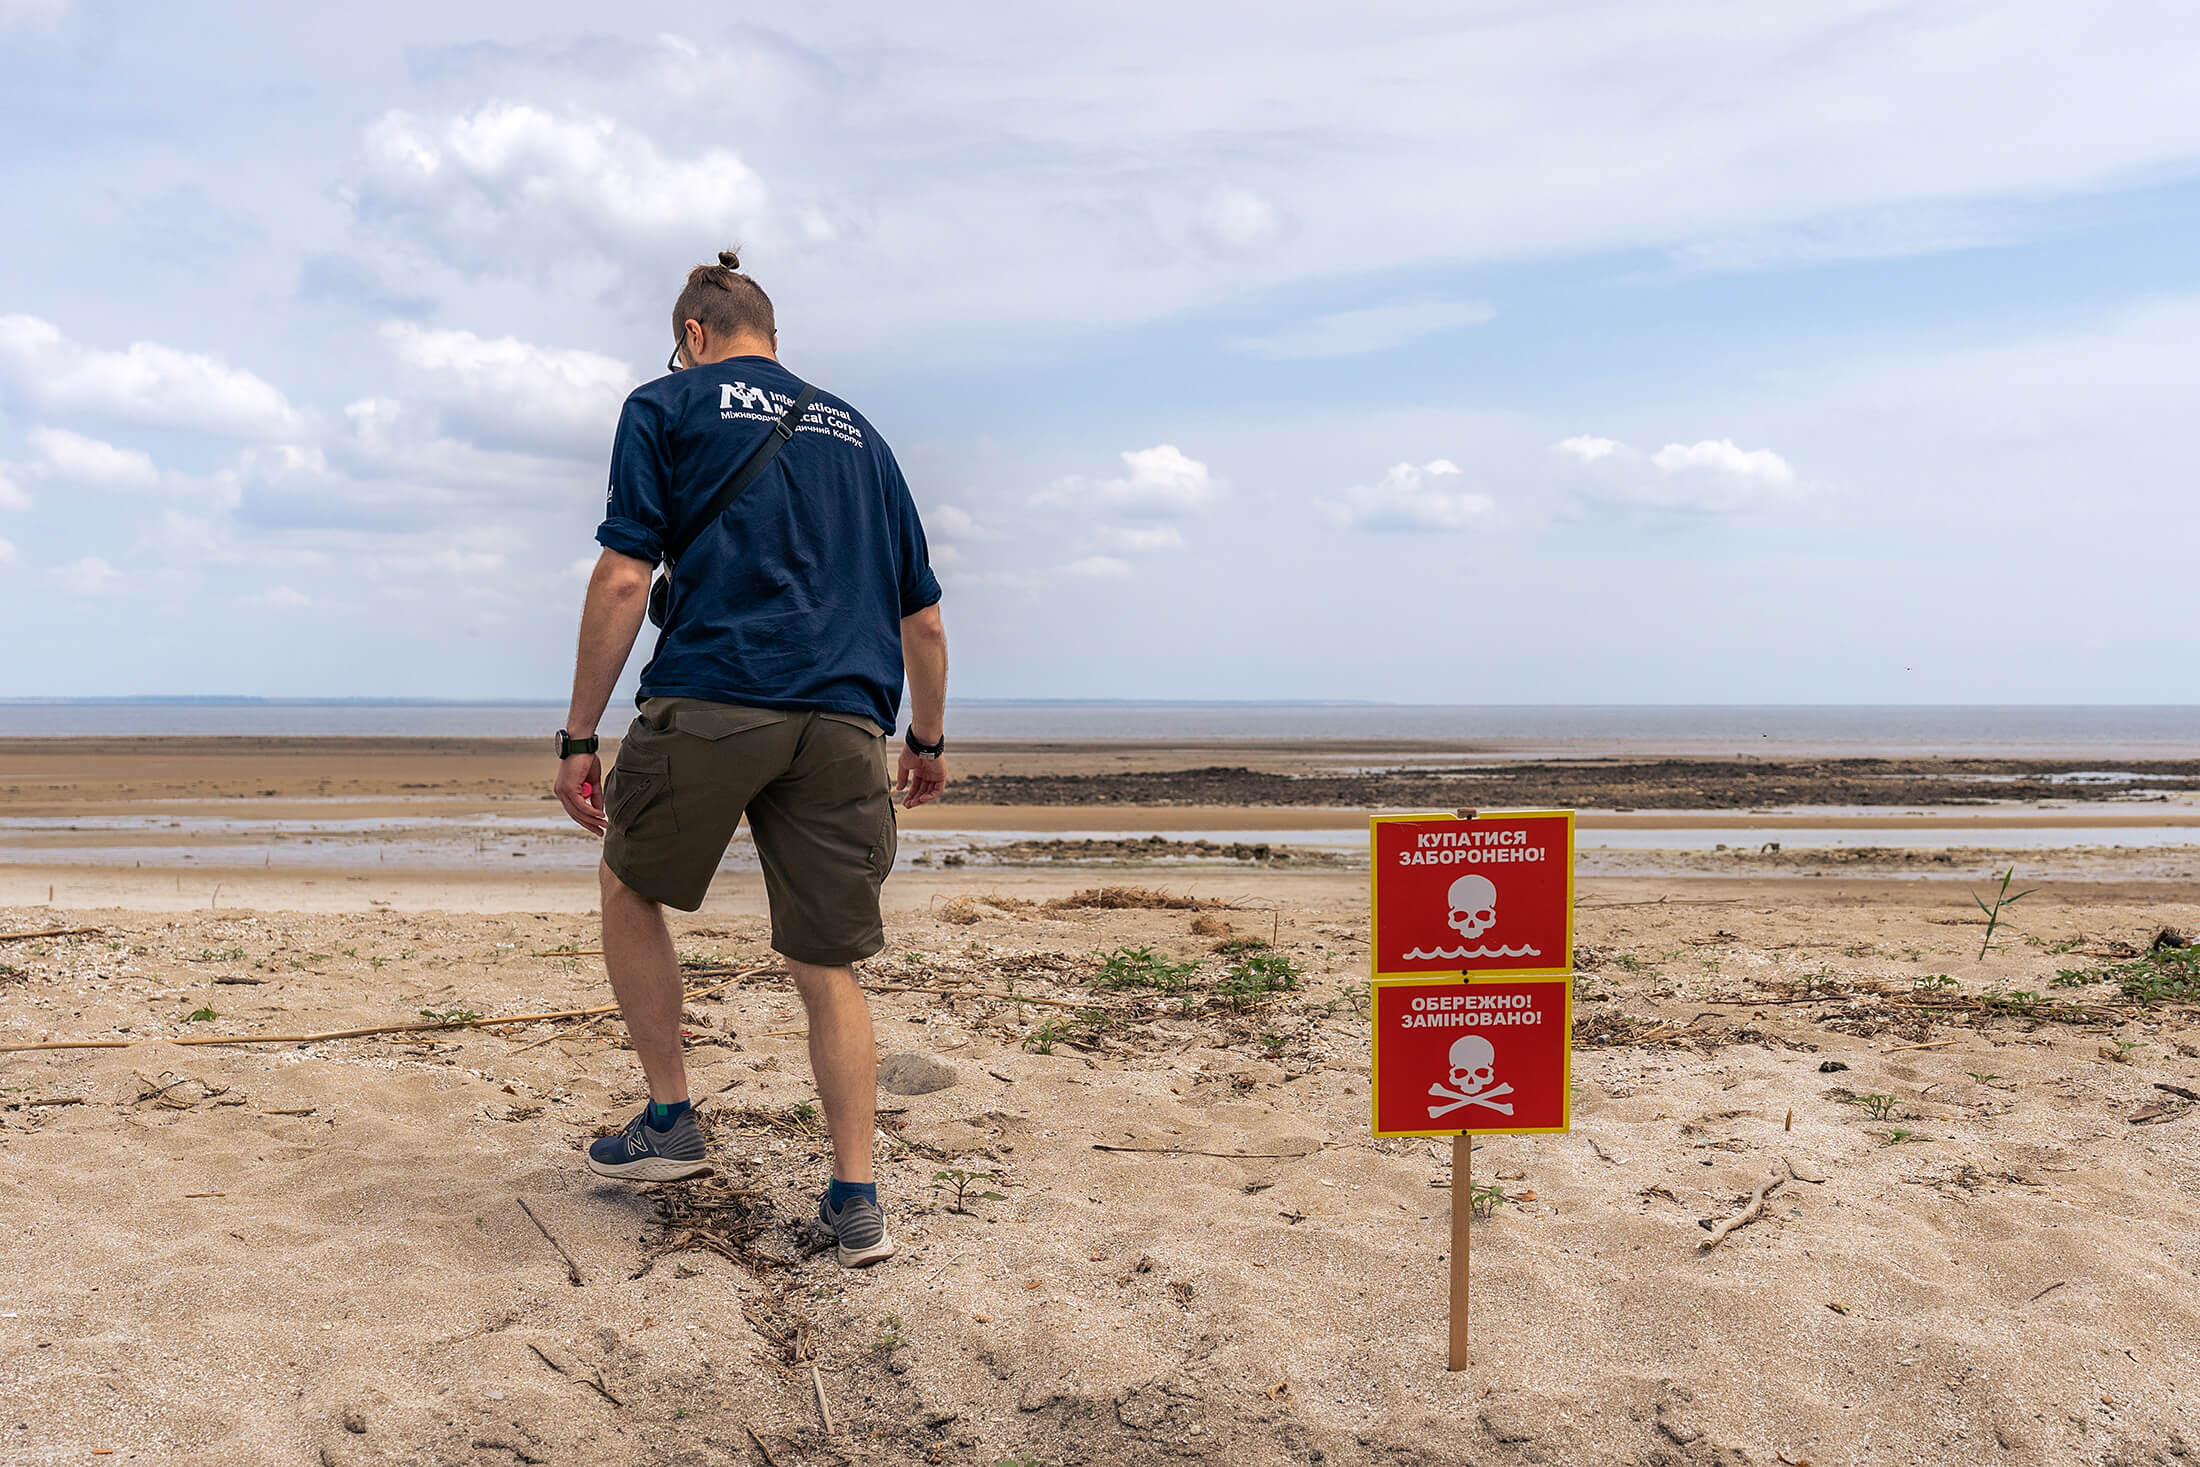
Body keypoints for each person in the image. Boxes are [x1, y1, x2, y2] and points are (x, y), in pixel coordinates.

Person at [552, 248, 948, 1269]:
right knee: (827, 962)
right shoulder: (859, 430)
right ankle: (856, 1199)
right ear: (769, 334)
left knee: (628, 883)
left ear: (692, 335)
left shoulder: (668, 403)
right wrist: (928, 740)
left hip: (716, 695)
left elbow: (623, 578)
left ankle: (672, 1119)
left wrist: (578, 733)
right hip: (850, 721)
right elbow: (925, 619)